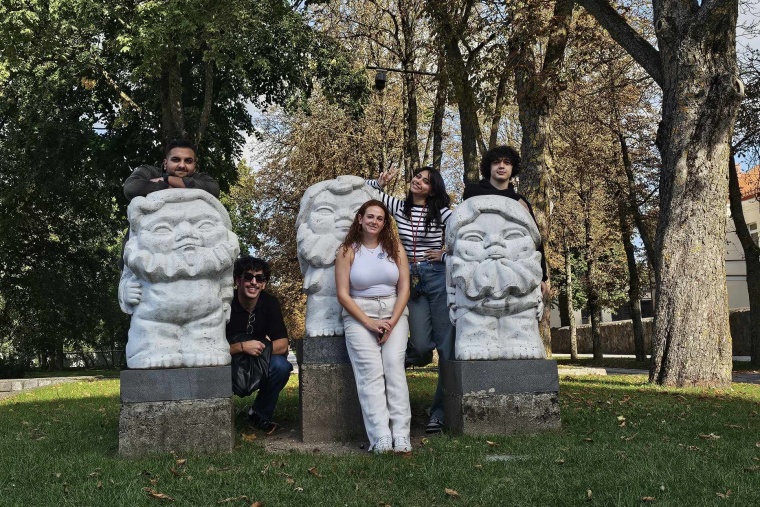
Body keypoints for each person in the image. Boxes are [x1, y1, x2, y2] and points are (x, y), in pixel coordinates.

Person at [367, 167, 453, 434]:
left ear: (433, 189)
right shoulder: (398, 207)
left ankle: (438, 412)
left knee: (446, 349)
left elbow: (466, 235)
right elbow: (366, 192)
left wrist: (444, 254)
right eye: (417, 177)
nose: (419, 182)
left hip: (437, 276)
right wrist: (378, 182)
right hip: (409, 277)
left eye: (426, 181)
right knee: (422, 346)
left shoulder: (444, 213)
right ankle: (392, 364)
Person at [335, 199, 412, 453]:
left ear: (384, 223)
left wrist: (391, 322)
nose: (374, 222)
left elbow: (404, 288)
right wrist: (369, 323)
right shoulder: (347, 250)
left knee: (393, 368)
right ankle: (380, 436)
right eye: (370, 216)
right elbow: (342, 294)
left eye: (380, 218)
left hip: (393, 312)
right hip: (360, 314)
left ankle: (401, 434)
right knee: (370, 373)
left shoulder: (395, 248)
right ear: (360, 219)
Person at [462, 145, 548, 294]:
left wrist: (542, 276)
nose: (501, 166)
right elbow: (472, 193)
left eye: (507, 163)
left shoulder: (522, 202)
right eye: (496, 162)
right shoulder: (474, 192)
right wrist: (513, 198)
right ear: (489, 167)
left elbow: (535, 240)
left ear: (512, 168)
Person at [226, 255, 292, 433]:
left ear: (264, 284)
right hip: (228, 359)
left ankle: (259, 414)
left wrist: (257, 348)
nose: (254, 282)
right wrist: (242, 347)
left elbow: (283, 344)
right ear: (237, 281)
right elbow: (210, 347)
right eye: (248, 277)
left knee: (281, 366)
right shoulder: (225, 303)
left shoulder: (270, 303)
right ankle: (217, 416)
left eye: (260, 278)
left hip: (258, 358)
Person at [123, 138, 220, 202]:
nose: (182, 165)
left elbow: (214, 190)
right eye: (176, 160)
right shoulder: (150, 172)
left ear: (194, 165)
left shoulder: (201, 177)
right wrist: (169, 187)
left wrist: (166, 179)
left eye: (188, 161)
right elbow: (131, 188)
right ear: (165, 163)